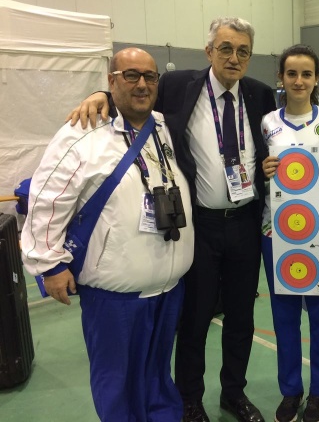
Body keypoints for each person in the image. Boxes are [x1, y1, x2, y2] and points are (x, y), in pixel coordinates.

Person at [69, 17, 319, 422]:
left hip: (247, 222)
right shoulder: (176, 86)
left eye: (242, 51)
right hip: (199, 225)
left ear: (251, 58)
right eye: (225, 49)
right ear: (209, 52)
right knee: (196, 317)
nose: (234, 58)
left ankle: (233, 393)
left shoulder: (259, 98)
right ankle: (190, 399)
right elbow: (137, 90)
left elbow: (301, 134)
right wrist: (101, 94)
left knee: (240, 316)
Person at [21, 48, 194, 421]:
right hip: (115, 297)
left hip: (167, 286)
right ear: (111, 81)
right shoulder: (81, 133)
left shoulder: (161, 126)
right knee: (117, 383)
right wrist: (49, 265)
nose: (143, 84)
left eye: (150, 76)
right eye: (131, 76)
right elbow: (47, 199)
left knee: (158, 377)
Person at [261, 44, 319, 422]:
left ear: (316, 79)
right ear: (281, 78)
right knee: (284, 318)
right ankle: (290, 391)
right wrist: (263, 169)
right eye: (291, 74)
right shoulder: (267, 122)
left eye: (306, 74)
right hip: (276, 233)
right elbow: (252, 170)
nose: (298, 81)